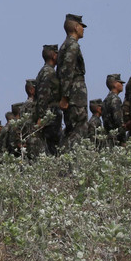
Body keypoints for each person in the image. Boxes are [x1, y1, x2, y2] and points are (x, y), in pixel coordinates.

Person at [57, 14, 88, 149]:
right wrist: (65, 96)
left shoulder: (65, 45)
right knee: (78, 130)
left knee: (71, 130)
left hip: (72, 94)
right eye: (81, 26)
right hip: (75, 95)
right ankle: (70, 166)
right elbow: (67, 71)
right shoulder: (72, 46)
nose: (83, 29)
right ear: (76, 27)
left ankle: (64, 164)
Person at [33, 44, 62, 155]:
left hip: (50, 113)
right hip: (50, 114)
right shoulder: (48, 72)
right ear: (54, 56)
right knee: (52, 148)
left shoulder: (46, 71)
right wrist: (42, 116)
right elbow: (43, 95)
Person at [102, 74, 126, 146]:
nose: (122, 85)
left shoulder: (105, 100)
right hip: (116, 140)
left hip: (108, 139)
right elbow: (118, 121)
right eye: (120, 83)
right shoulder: (116, 99)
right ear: (115, 84)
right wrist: (123, 140)